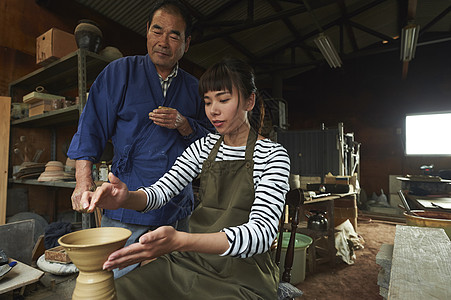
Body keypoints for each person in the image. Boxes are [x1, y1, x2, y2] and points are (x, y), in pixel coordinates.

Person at [80, 57, 291, 299]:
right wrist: (126, 198)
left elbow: (260, 235)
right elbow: (159, 193)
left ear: (249, 101)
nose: (213, 110)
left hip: (244, 273)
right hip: (192, 261)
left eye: (224, 100)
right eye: (208, 101)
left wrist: (181, 241)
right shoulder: (204, 147)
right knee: (117, 292)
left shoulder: (272, 155)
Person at [67, 0, 214, 277]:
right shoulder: (119, 73)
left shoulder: (195, 89)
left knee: (174, 285)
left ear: (187, 43)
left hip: (175, 209)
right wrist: (82, 180)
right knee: (119, 283)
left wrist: (184, 125)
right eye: (157, 31)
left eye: (174, 35)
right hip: (125, 206)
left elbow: (213, 142)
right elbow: (92, 126)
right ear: (147, 31)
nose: (164, 42)